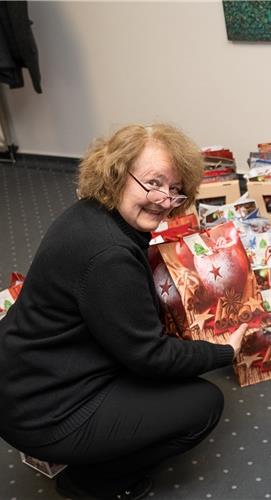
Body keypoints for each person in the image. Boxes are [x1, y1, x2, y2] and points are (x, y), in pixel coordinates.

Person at [0, 124, 246, 500]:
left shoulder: (89, 213)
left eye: (176, 189)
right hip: (45, 411)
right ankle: (90, 483)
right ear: (117, 173)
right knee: (204, 405)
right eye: (153, 183)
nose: (165, 199)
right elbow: (150, 356)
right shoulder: (109, 256)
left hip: (27, 377)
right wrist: (222, 352)